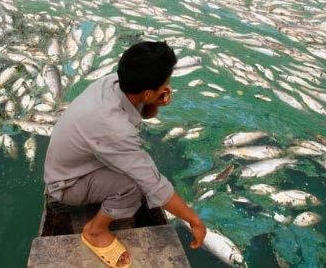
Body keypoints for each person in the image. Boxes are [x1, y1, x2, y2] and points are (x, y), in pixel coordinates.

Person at [44, 41, 207, 268]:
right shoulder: (112, 127)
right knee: (136, 184)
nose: (168, 86)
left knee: (141, 171)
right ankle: (95, 231)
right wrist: (194, 221)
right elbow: (153, 184)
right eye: (166, 83)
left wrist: (155, 103)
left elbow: (139, 114)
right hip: (67, 183)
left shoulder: (112, 82)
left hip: (77, 163)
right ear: (147, 92)